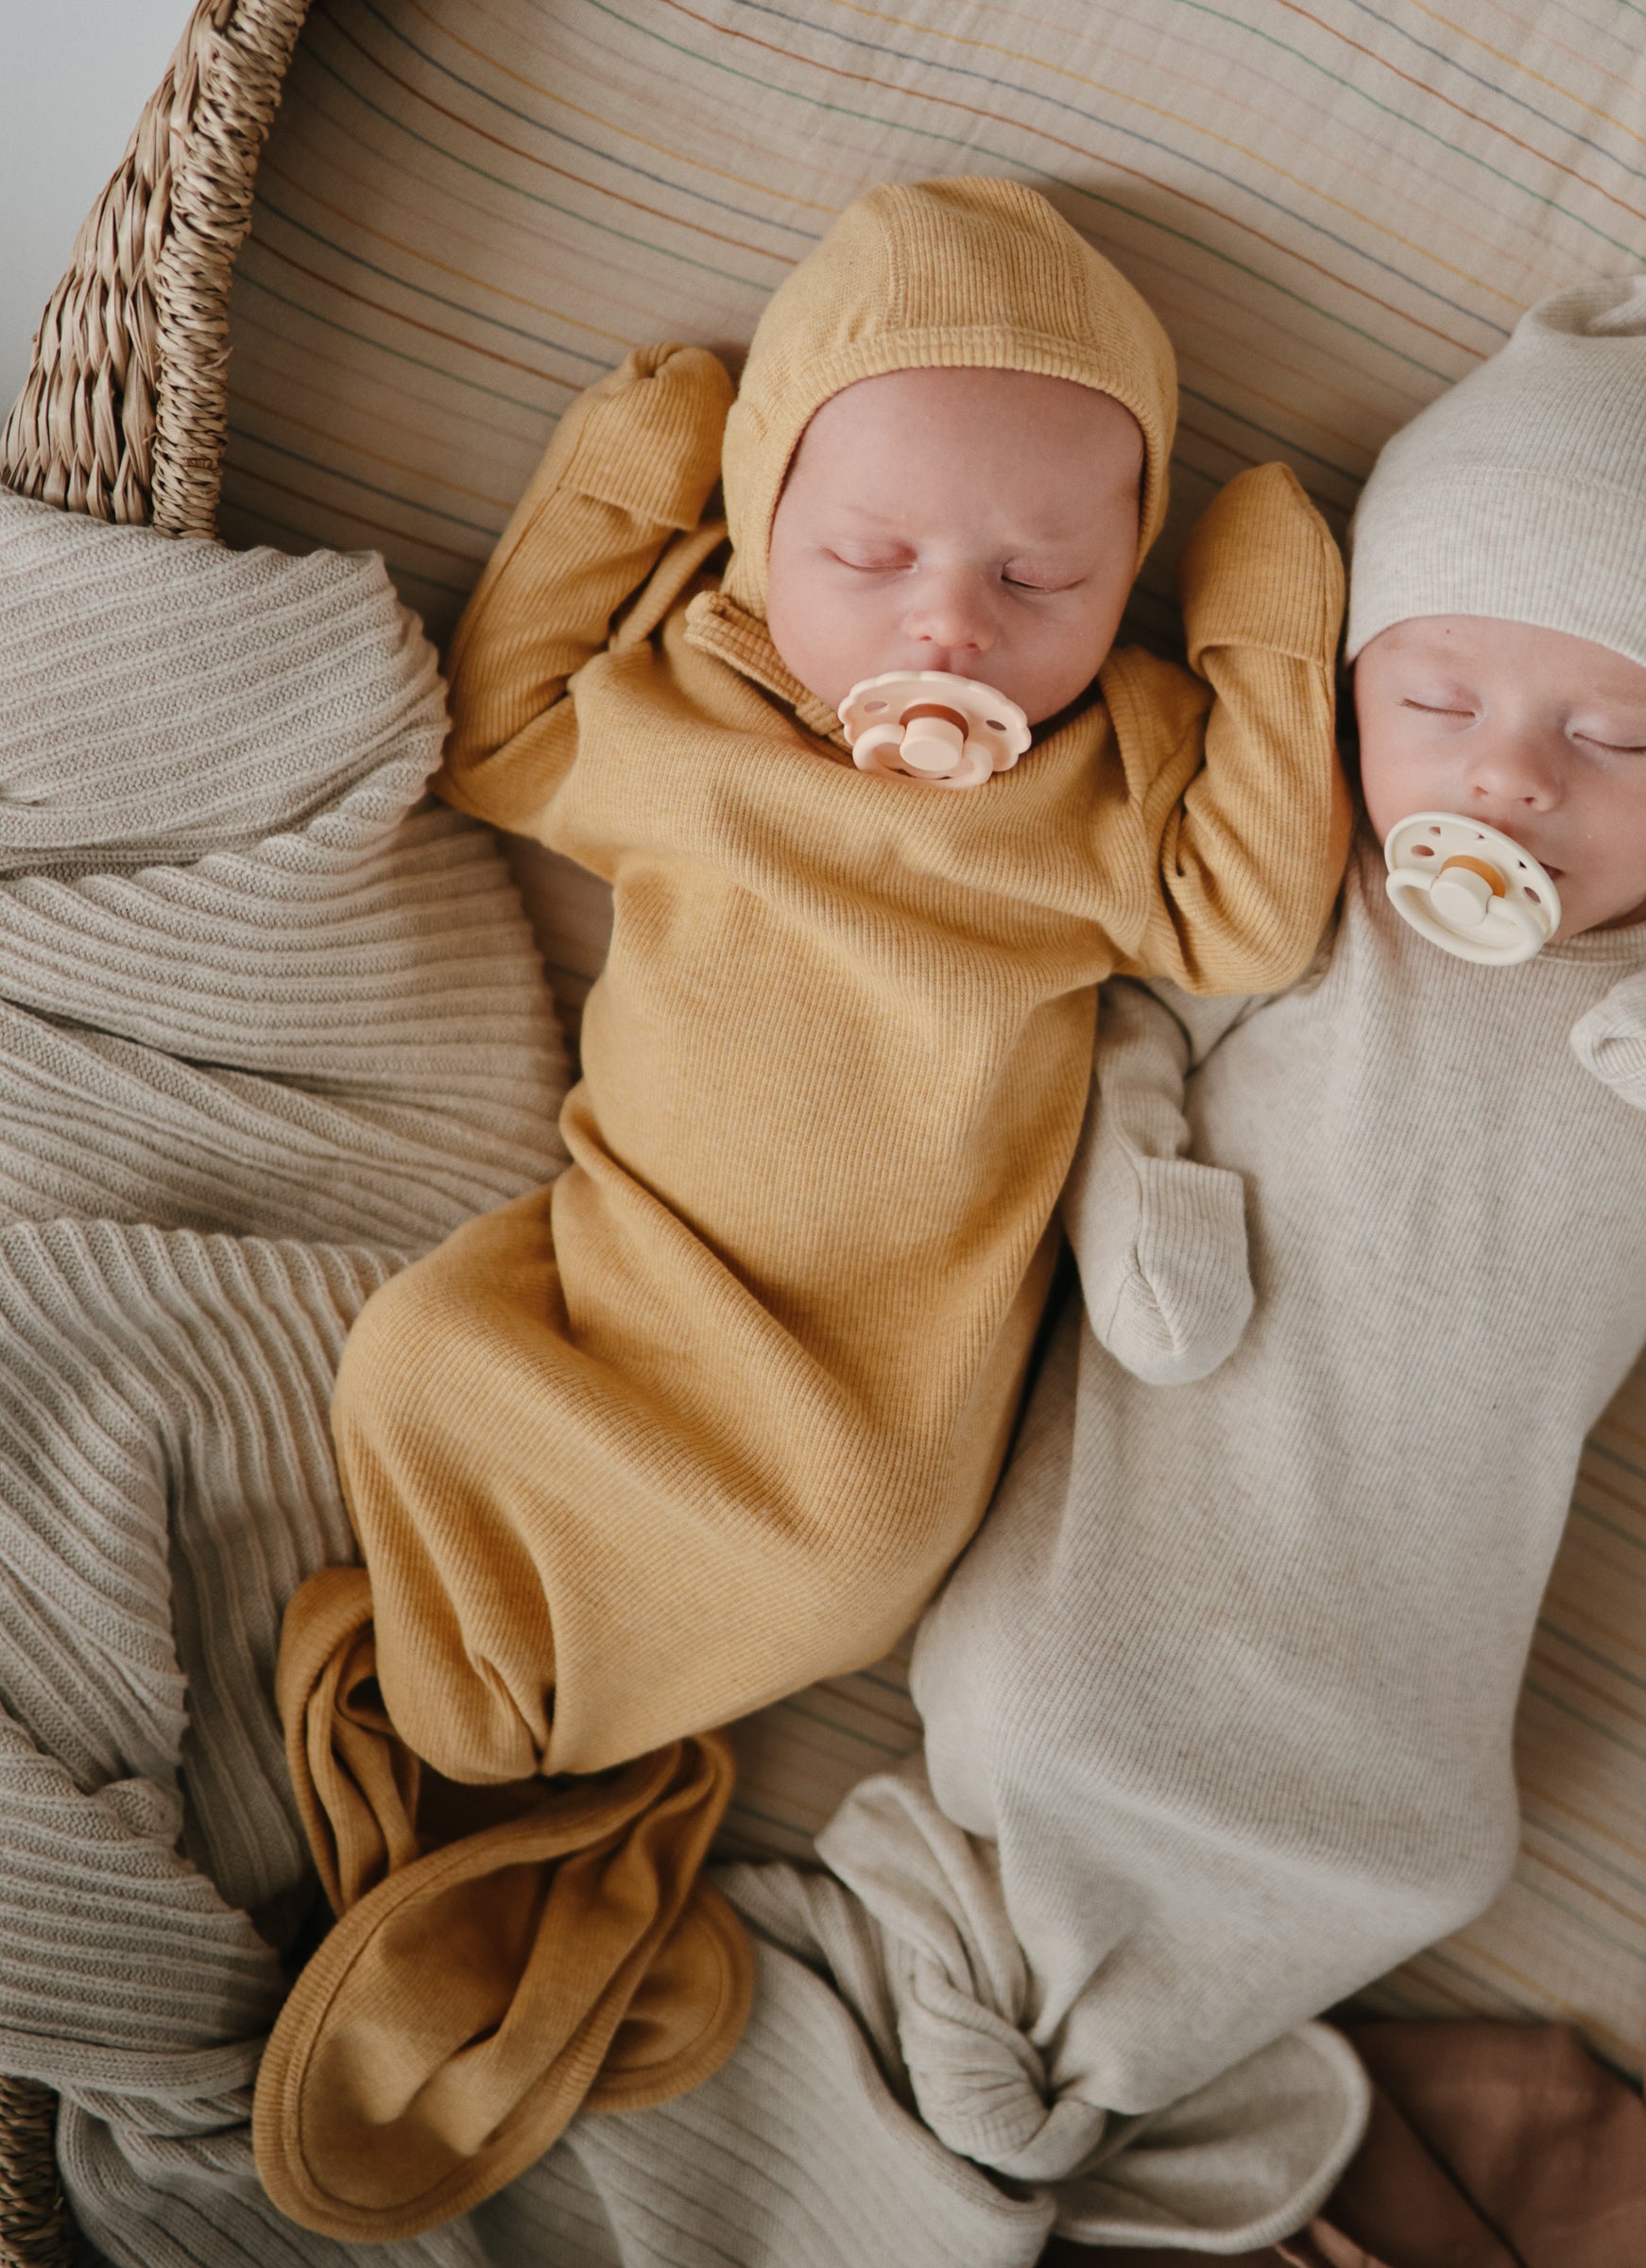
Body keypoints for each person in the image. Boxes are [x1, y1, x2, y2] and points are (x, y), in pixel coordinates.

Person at [796, 78, 1646, 2240]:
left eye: (1611, 739)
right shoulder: (1308, 879)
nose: (1510, 783)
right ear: (1363, 690)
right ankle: (1023, 1981)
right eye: (1441, 701)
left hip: (1433, 1543)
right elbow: (1122, 1031)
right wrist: (1144, 1202)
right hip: (1203, 1436)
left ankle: (1097, 2057)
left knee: (1434, 1844)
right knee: (1049, 1697)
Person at [255, 175, 1349, 2242]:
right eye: (871, 554)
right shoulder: (682, 704)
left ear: (1124, 580)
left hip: (864, 1391)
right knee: (414, 1355)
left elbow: (1252, 920)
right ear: (764, 526)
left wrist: (1262, 629)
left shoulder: (1103, 778)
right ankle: (489, 1739)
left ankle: (541, 1768)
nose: (954, 621)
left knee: (842, 1549)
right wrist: (620, 471)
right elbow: (493, 734)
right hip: (625, 1280)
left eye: (1044, 572)